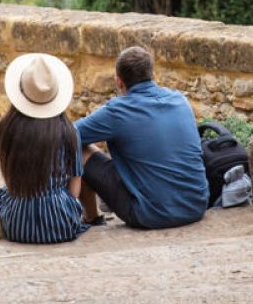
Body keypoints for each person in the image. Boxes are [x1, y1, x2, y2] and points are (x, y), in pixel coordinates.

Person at [75, 45, 208, 230]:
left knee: (80, 148)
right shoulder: (180, 100)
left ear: (118, 82)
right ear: (153, 76)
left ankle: (91, 217)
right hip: (196, 207)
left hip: (150, 215)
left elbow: (67, 134)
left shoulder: (117, 111)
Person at [0, 53, 89, 245]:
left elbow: (9, 178)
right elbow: (75, 185)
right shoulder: (69, 131)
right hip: (60, 224)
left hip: (17, 225)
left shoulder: (6, 128)